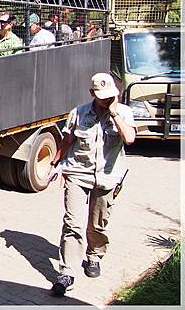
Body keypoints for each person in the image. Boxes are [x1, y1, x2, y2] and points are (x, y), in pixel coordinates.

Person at [50, 72, 136, 297]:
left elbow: (129, 139)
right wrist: (54, 163)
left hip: (107, 178)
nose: (107, 100)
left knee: (97, 225)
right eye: (102, 97)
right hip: (78, 174)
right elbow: (67, 140)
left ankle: (94, 256)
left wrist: (115, 114)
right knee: (73, 223)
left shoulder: (124, 112)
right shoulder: (78, 113)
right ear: (92, 94)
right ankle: (67, 271)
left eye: (111, 96)